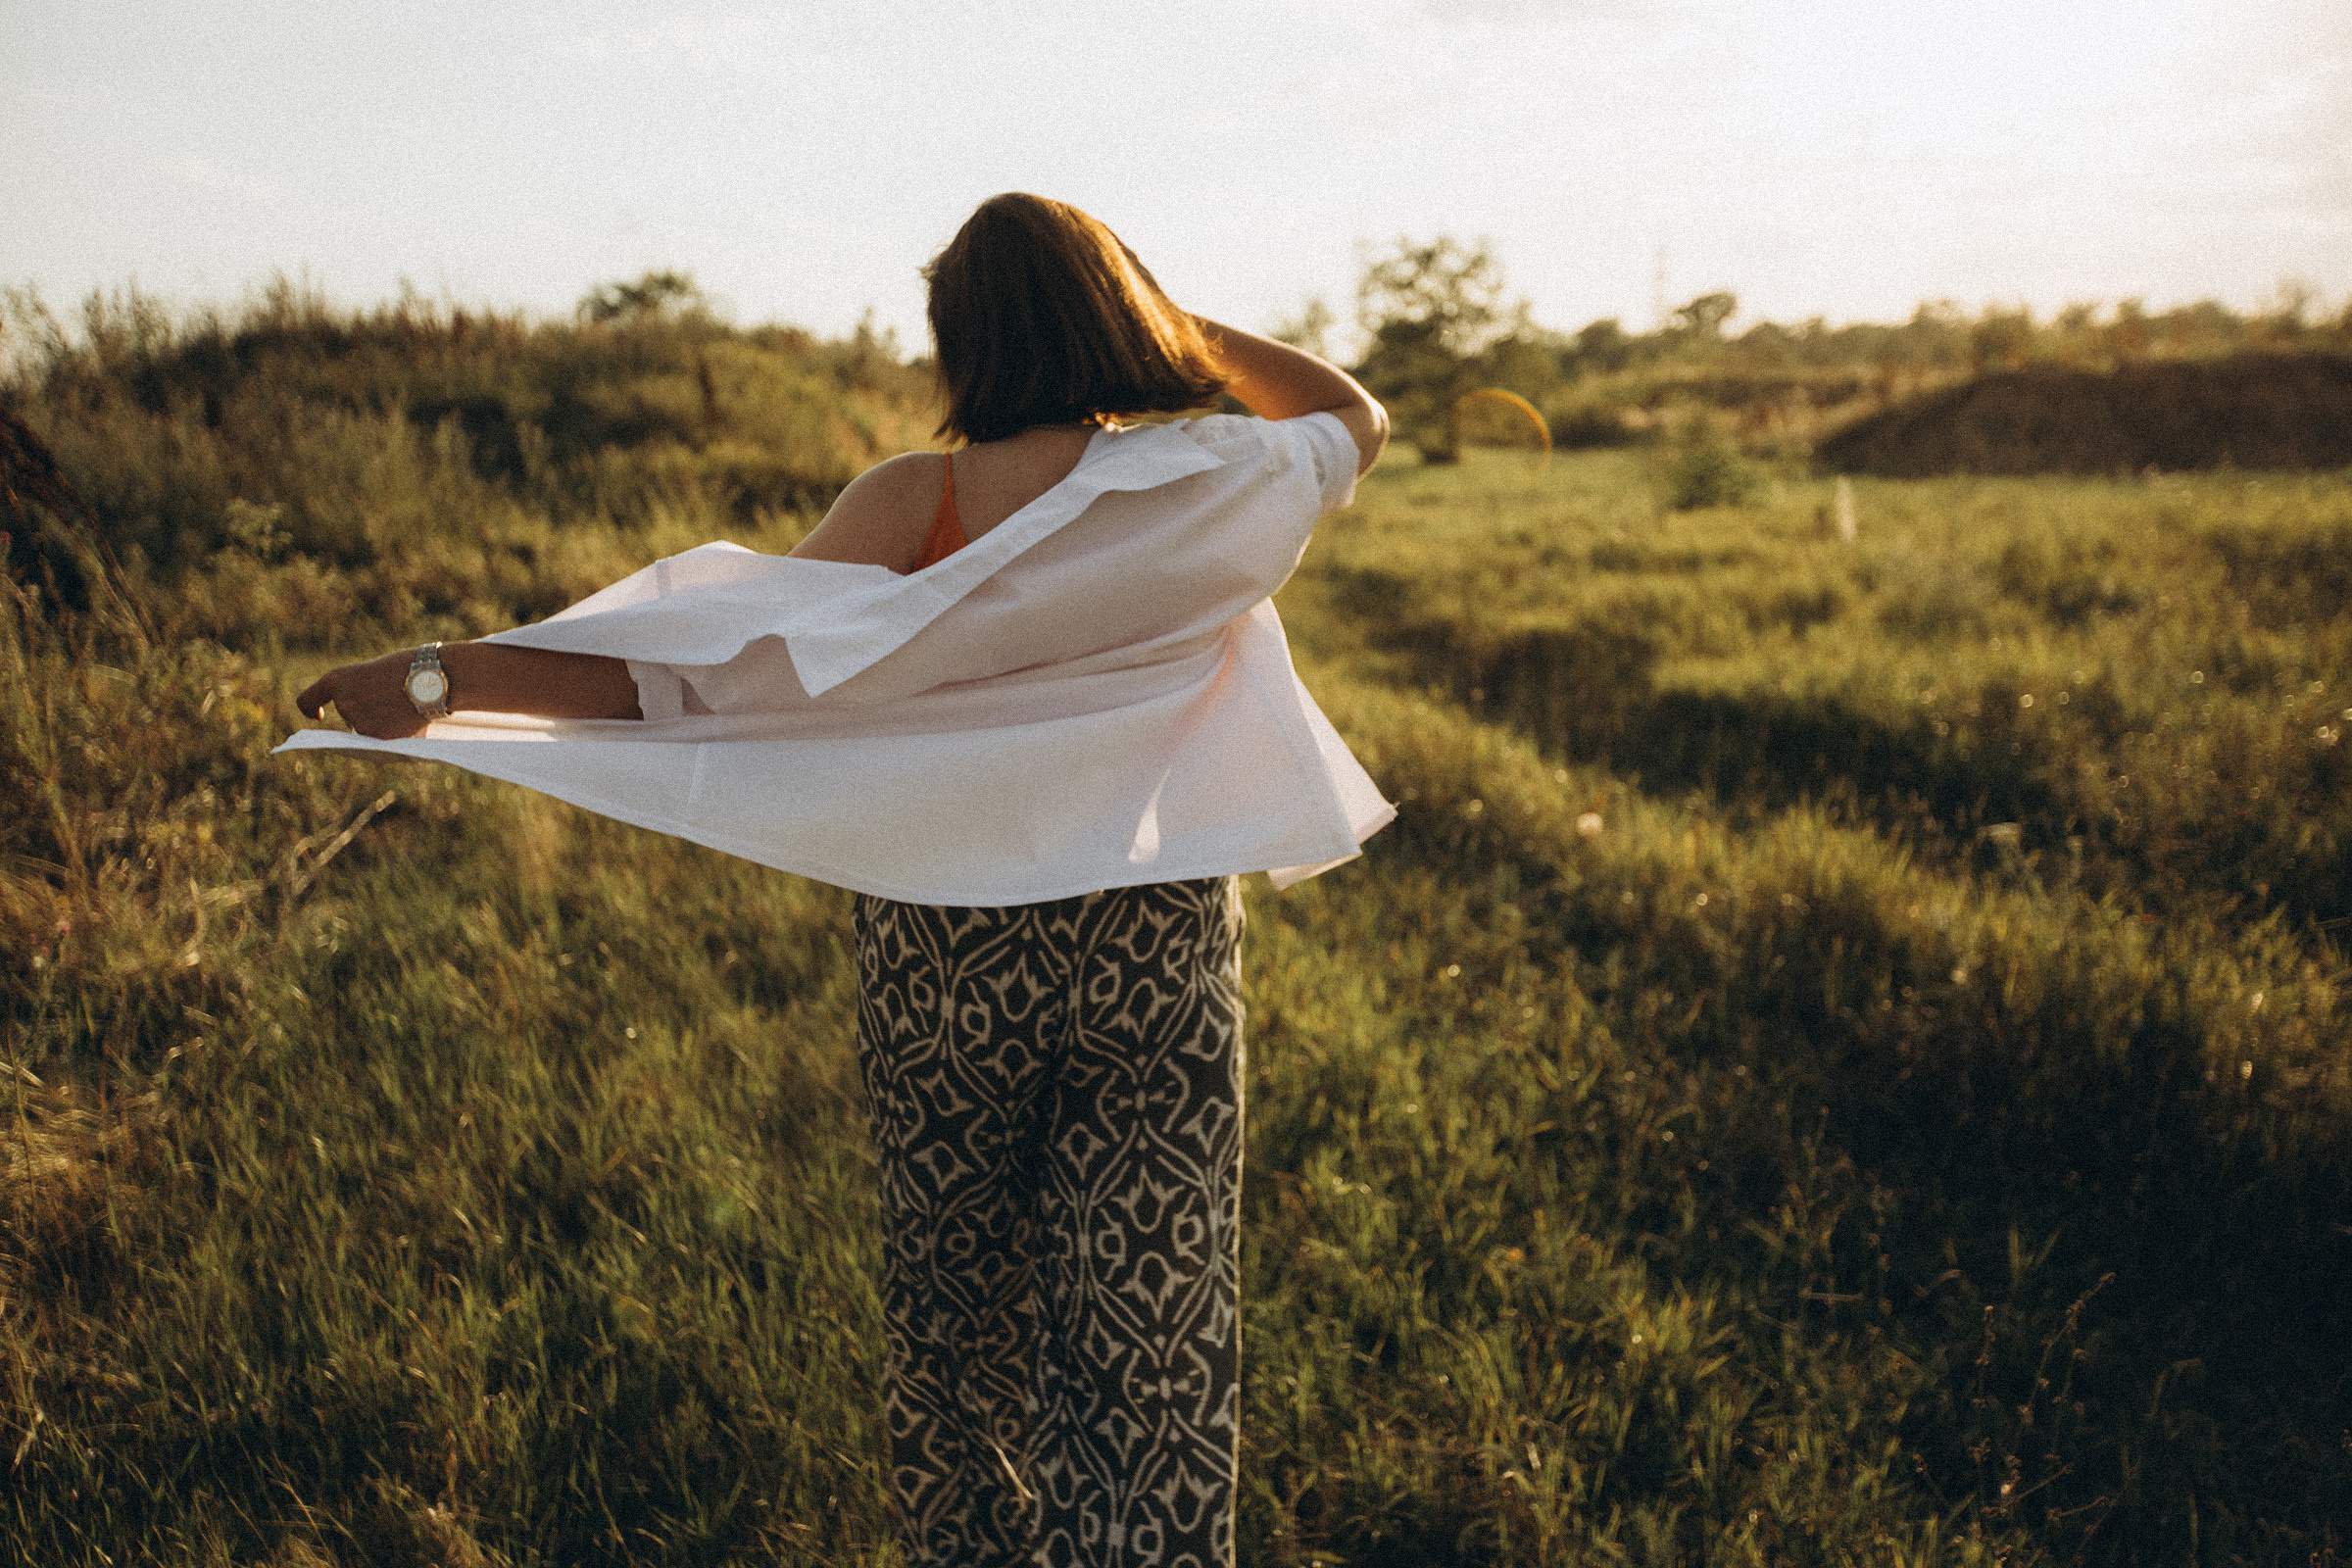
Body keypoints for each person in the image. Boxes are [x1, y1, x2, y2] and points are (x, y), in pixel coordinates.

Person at [288, 192, 1389, 1567]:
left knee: (958, 1335)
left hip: (948, 962)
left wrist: (441, 677)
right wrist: (1167, 325)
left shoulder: (912, 501)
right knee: (1151, 1348)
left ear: (956, 339)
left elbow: (699, 670)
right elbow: (1354, 416)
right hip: (1152, 954)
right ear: (1115, 315)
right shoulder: (1207, 481)